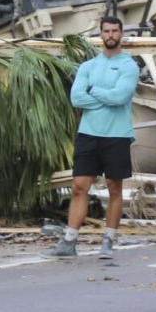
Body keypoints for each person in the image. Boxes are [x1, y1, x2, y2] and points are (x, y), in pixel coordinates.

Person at [53, 16, 139, 260]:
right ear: (100, 34)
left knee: (114, 188)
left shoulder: (129, 66)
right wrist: (105, 97)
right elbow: (76, 98)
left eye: (114, 31)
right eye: (106, 31)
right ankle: (69, 241)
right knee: (79, 187)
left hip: (117, 135)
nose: (110, 35)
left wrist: (93, 90)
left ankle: (108, 240)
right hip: (88, 133)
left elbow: (119, 98)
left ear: (121, 34)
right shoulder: (88, 66)